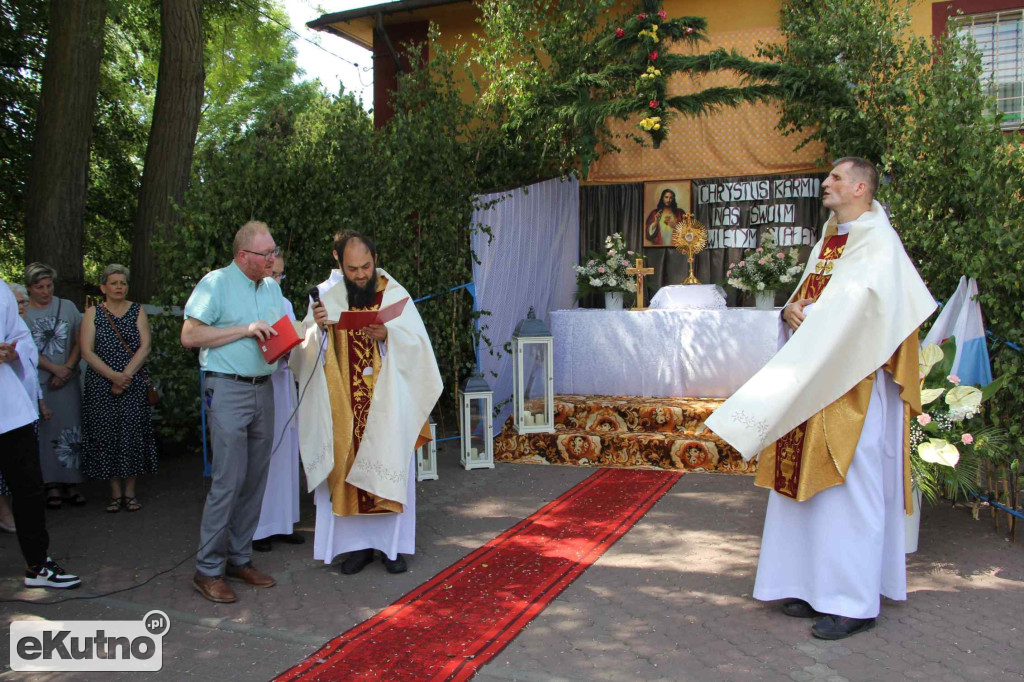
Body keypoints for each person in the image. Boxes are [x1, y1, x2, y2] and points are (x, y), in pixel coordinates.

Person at [705, 157, 936, 640]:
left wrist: (813, 318)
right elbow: (810, 298)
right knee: (804, 486)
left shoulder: (879, 244)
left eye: (834, 177)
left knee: (850, 489)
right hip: (813, 379)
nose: (825, 183)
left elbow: (874, 314)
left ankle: (854, 600)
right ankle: (811, 586)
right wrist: (790, 310)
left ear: (860, 187)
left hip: (853, 385)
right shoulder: (832, 238)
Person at [292, 230, 442, 575]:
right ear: (338, 262)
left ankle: (391, 548)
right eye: (352, 268)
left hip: (387, 404)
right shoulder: (325, 298)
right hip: (343, 406)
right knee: (346, 469)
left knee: (387, 465)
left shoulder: (393, 292)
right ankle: (355, 548)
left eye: (366, 266)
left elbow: (420, 349)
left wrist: (389, 336)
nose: (360, 274)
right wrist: (317, 331)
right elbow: (304, 358)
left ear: (375, 260)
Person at [181, 220, 285, 603]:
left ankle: (239, 559)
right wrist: (244, 329)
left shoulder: (271, 287)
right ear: (244, 256)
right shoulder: (216, 283)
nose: (273, 258)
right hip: (226, 388)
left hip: (264, 387)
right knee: (228, 479)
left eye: (273, 251)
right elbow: (189, 335)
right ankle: (207, 569)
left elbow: (275, 334)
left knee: (256, 477)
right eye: (267, 253)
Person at [0, 279, 81, 588]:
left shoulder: (1, 292)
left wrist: (13, 352)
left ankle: (37, 564)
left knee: (29, 486)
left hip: (8, 406)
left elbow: (21, 336)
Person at [80, 264, 158, 513]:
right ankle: (114, 493)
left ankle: (131, 492)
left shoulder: (137, 310)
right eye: (113, 283)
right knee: (107, 437)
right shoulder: (93, 313)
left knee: (131, 436)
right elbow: (86, 351)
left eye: (122, 283)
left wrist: (124, 376)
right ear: (103, 287)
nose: (118, 287)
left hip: (132, 383)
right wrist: (112, 376)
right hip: (101, 384)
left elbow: (145, 347)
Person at [252, 254, 304, 552]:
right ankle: (260, 528)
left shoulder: (284, 304)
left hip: (283, 382)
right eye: (273, 273)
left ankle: (284, 522)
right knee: (265, 454)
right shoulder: (252, 302)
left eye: (281, 275)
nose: (277, 280)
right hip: (262, 383)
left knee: (285, 451)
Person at [23, 263, 85, 508]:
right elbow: (23, 347)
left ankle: (72, 482)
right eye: (39, 287)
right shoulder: (23, 312)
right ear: (29, 288)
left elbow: (79, 342)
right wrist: (54, 369)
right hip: (38, 383)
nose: (45, 291)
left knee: (70, 430)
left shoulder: (66, 306)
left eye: (49, 286)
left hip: (67, 381)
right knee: (44, 432)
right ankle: (50, 484)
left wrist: (67, 368)